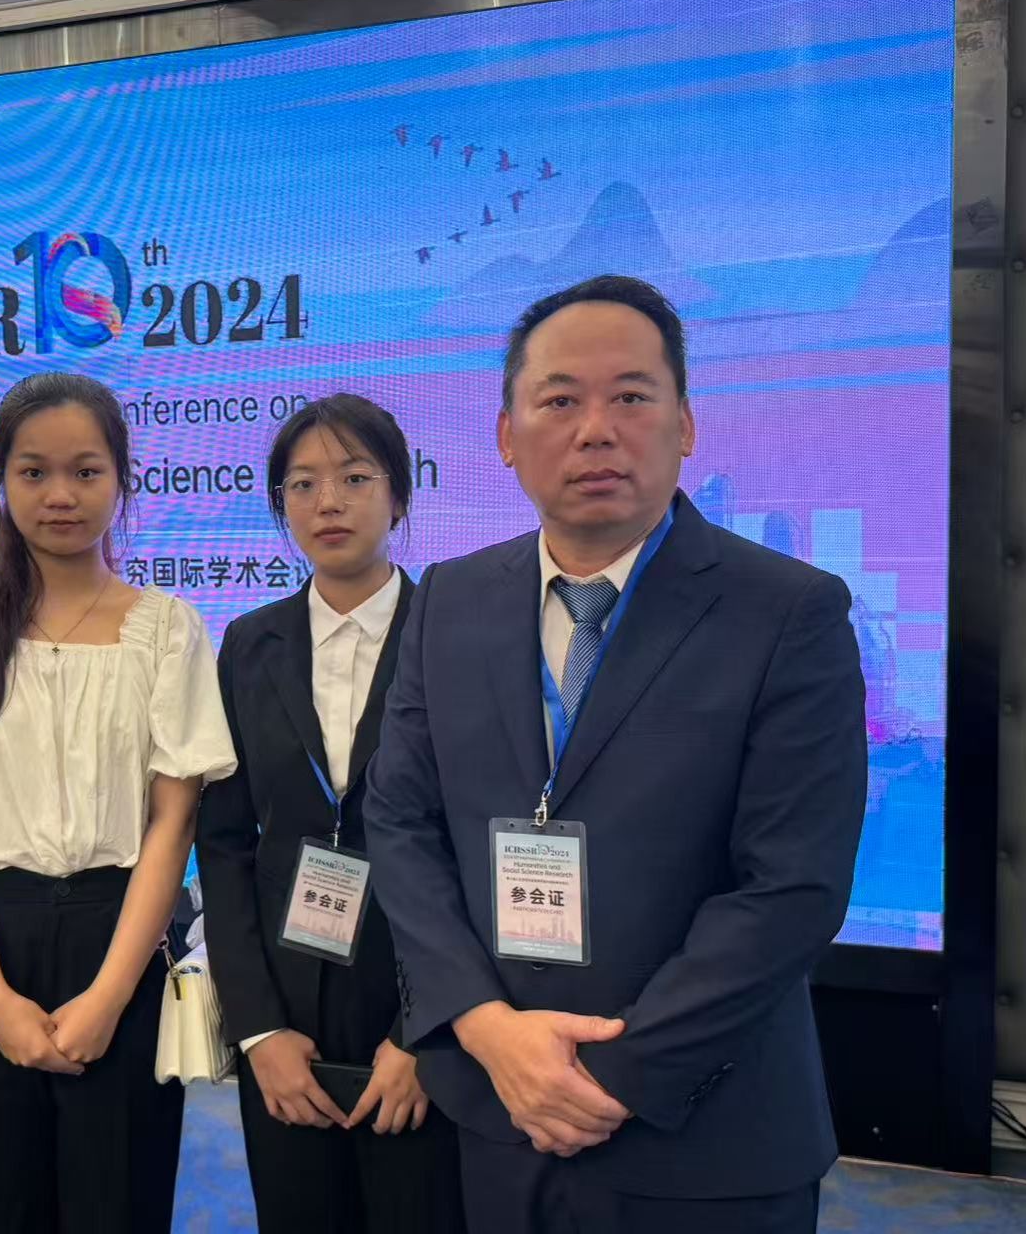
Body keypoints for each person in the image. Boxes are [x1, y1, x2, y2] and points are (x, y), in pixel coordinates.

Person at [366, 275, 868, 1233]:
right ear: (506, 436)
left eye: (632, 396)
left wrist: (612, 1076)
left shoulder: (788, 612)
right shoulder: (450, 600)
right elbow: (400, 822)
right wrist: (487, 1030)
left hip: (705, 1136)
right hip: (498, 1110)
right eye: (559, 401)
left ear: (686, 423)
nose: (596, 430)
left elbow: (791, 886)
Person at [0, 371, 236, 1233]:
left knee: (114, 1204)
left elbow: (172, 824)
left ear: (122, 479)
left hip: (119, 939)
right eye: (34, 472)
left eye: (86, 471)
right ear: (1, 482)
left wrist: (112, 995)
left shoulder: (167, 629)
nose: (60, 495)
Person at [199, 395, 466, 1234]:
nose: (329, 503)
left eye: (355, 478)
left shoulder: (457, 639)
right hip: (288, 1015)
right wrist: (257, 1030)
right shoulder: (250, 643)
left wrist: (429, 1036)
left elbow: (478, 849)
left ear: (400, 495)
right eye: (303, 484)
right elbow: (224, 843)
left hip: (417, 1003)